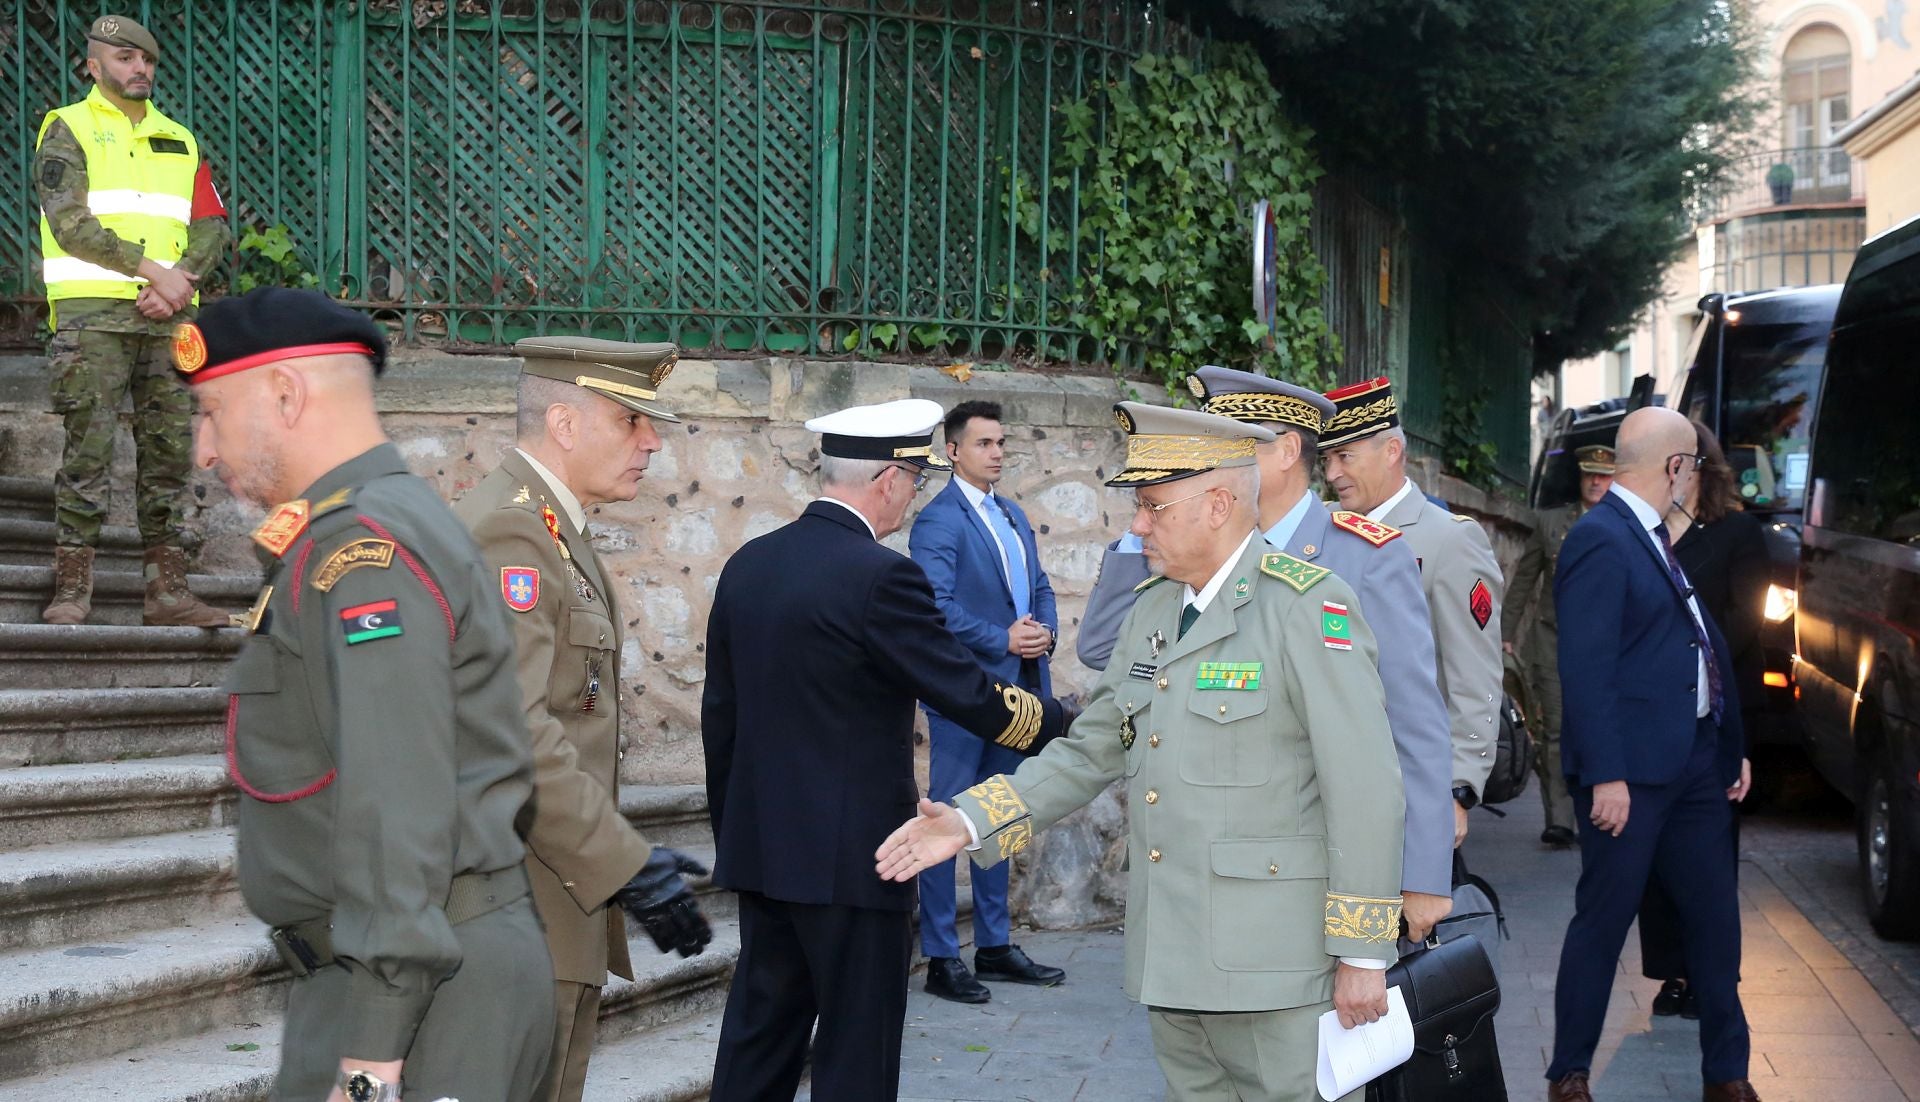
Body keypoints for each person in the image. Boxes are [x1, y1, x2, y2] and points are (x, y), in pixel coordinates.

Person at [877, 401, 1405, 1102]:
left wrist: (1363, 954)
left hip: (1274, 969)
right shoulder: (1156, 608)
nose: (1137, 525)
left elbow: (1364, 787)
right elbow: (1092, 747)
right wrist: (970, 820)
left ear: (1218, 505)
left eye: (1154, 507)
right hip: (1174, 959)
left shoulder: (1307, 607)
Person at [181, 288, 554, 1101]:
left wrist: (372, 1051)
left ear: (285, 394)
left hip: (415, 998)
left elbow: (397, 798)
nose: (202, 449)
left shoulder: (362, 550)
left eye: (211, 412)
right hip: (394, 974)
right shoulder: (360, 528)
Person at [701, 398, 1074, 1102]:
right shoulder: (880, 575)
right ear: (890, 480)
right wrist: (1065, 723)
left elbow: (719, 719)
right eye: (914, 479)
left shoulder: (747, 564)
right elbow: (968, 692)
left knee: (757, 1047)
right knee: (856, 1055)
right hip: (860, 862)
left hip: (765, 854)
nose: (912, 495)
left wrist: (738, 835)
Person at [1079, 367, 1453, 941]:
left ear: (1286, 451)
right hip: (1215, 878)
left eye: (1235, 437)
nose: (1213, 451)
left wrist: (1423, 873)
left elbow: (1412, 721)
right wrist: (1146, 523)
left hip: (1329, 863)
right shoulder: (1187, 548)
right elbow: (1103, 648)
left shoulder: (1363, 558)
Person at [453, 337, 713, 1102]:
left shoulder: (552, 529)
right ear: (564, 422)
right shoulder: (513, 535)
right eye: (631, 421)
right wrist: (623, 863)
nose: (652, 441)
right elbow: (510, 730)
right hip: (513, 910)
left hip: (548, 903)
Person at [1545, 406, 1755, 1102]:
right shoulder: (1602, 540)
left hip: (1693, 763)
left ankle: (1727, 1076)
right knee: (1604, 920)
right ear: (1674, 468)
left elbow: (1700, 643)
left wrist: (1730, 744)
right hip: (1630, 774)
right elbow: (1586, 668)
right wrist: (1606, 774)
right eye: (1692, 466)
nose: (1695, 479)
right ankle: (1569, 1074)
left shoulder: (1653, 536)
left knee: (1715, 923)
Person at [35, 15, 232, 627]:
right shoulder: (67, 127)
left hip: (169, 319)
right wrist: (155, 272)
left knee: (169, 455)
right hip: (92, 318)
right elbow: (71, 226)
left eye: (145, 59)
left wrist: (181, 283)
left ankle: (167, 592)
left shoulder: (181, 137)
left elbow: (211, 225)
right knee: (88, 453)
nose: (139, 69)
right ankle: (72, 591)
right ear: (94, 67)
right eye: (123, 59)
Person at [908, 399, 1067, 1003]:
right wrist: (998, 637)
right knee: (945, 819)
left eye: (1001, 443)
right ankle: (944, 957)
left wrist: (1044, 631)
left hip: (1019, 692)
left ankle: (995, 946)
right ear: (953, 451)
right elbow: (934, 605)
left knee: (1002, 814)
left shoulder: (1013, 513)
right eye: (984, 443)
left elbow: (1042, 585)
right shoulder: (938, 521)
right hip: (961, 694)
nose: (997, 452)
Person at [1320, 376, 1503, 845]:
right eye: (1326, 458)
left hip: (1410, 782)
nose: (1332, 473)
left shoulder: (1449, 539)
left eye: (1345, 457)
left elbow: (1474, 675)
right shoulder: (1322, 532)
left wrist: (1458, 789)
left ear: (1392, 451)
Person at [1638, 419, 1769, 1021]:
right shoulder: (1642, 532)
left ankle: (1707, 973)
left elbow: (1749, 618)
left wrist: (1697, 656)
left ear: (1695, 467)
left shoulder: (1739, 533)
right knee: (1657, 857)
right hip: (1656, 715)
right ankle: (1672, 970)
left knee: (1710, 858)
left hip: (1717, 714)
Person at [1505, 444, 1615, 848]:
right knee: (1555, 730)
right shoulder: (1552, 523)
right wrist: (1505, 632)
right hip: (1553, 640)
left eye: (1604, 475)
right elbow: (1523, 581)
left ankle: (1598, 813)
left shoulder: (1625, 524)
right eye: (1590, 475)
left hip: (1606, 647)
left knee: (1598, 728)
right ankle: (1560, 820)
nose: (1596, 482)